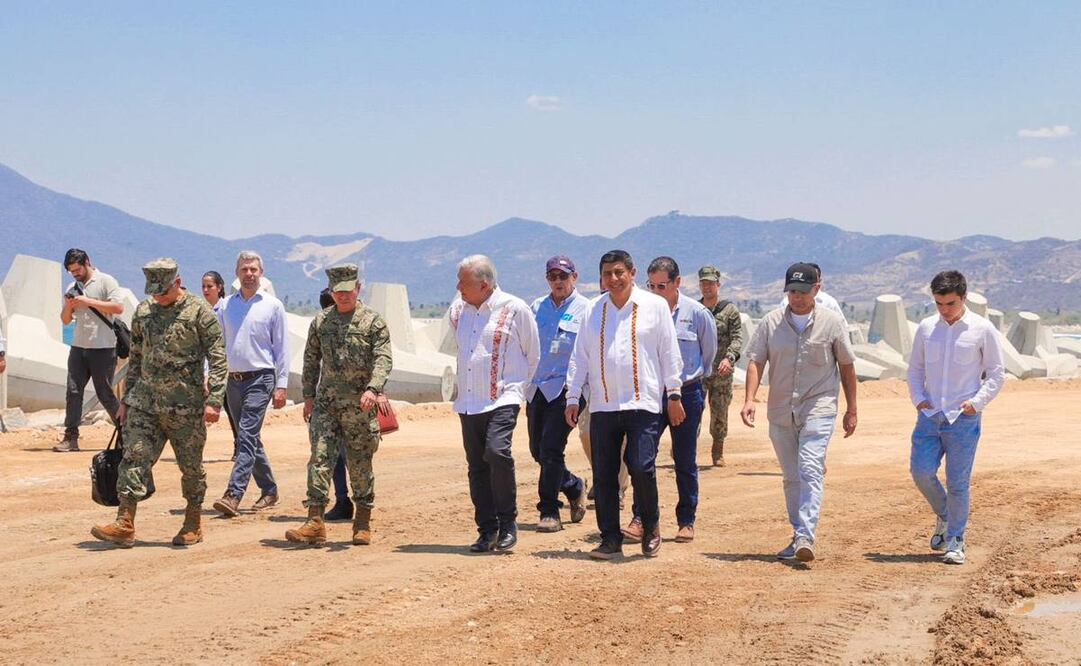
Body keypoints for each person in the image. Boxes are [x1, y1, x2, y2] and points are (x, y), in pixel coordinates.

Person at [91, 258, 227, 547]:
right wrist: (126, 399)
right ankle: (124, 523)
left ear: (177, 283)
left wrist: (214, 400)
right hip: (145, 403)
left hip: (185, 406)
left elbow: (218, 358)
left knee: (190, 467)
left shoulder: (199, 312)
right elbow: (137, 357)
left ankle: (193, 522)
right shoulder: (144, 311)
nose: (158, 296)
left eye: (163, 291)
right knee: (133, 458)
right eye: (153, 291)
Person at [565, 250, 683, 560]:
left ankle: (651, 526)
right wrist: (573, 396)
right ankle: (610, 537)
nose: (613, 279)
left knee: (641, 466)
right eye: (607, 274)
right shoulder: (593, 310)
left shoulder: (654, 307)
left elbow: (669, 354)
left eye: (619, 272)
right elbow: (581, 357)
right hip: (604, 404)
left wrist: (674, 394)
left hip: (643, 402)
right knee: (604, 474)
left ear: (631, 273)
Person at [741, 262, 858, 563]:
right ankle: (797, 534)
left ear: (816, 289)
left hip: (818, 406)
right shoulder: (770, 323)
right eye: (792, 291)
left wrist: (851, 409)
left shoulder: (832, 323)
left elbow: (846, 365)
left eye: (803, 291)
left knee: (809, 467)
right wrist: (749, 398)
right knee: (792, 476)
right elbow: (756, 361)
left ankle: (807, 534)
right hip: (781, 409)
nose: (797, 297)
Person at [286, 264, 393, 546]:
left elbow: (383, 359)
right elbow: (310, 362)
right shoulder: (321, 322)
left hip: (361, 407)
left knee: (359, 464)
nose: (343, 297)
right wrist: (308, 397)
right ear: (331, 292)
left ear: (358, 289)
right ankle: (315, 521)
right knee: (319, 459)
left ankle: (362, 521)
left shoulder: (373, 322)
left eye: (348, 291)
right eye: (338, 292)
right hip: (326, 406)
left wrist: (373, 388)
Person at [908, 270, 1004, 565]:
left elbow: (997, 373)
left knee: (958, 483)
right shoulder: (926, 328)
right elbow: (915, 370)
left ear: (963, 297)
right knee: (921, 472)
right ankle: (947, 516)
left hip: (963, 418)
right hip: (930, 414)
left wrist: (977, 403)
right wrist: (919, 399)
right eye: (938, 303)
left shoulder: (982, 329)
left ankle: (956, 539)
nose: (943, 309)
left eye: (949, 303)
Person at [623, 257, 716, 544]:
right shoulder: (641, 313)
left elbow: (708, 354)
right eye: (651, 286)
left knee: (684, 458)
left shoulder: (697, 314)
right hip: (651, 393)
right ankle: (641, 518)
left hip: (687, 393)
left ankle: (686, 520)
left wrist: (691, 383)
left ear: (678, 283)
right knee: (641, 456)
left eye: (662, 285)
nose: (656, 291)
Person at [450, 255, 539, 553]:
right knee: (477, 466)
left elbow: (532, 354)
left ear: (484, 285)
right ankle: (487, 530)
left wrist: (516, 389)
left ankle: (508, 522)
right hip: (468, 402)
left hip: (503, 397)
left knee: (496, 452)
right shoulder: (458, 311)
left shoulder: (515, 309)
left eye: (463, 282)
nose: (458, 287)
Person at [212, 252, 287, 517]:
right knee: (249, 438)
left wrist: (282, 384)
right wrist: (211, 378)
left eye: (254, 269)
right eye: (244, 269)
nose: (249, 274)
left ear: (261, 273)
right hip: (232, 380)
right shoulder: (224, 307)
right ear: (237, 272)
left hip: (261, 377)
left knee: (245, 435)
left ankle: (234, 494)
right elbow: (216, 345)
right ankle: (269, 490)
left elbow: (281, 348)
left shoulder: (273, 306)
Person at [526, 255, 591, 533]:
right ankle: (574, 486)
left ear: (574, 277)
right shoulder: (536, 307)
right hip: (537, 387)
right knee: (537, 450)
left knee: (552, 448)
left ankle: (550, 511)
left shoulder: (586, 310)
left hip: (568, 389)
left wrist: (579, 391)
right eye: (553, 277)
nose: (558, 282)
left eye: (563, 276)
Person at [55, 248, 124, 452]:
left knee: (105, 393)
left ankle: (125, 432)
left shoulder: (106, 281)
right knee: (73, 391)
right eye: (71, 271)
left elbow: (118, 308)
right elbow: (65, 320)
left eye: (77, 269)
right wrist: (69, 305)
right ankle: (71, 437)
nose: (75, 274)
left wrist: (87, 301)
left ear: (87, 263)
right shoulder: (71, 286)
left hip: (103, 347)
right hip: (78, 347)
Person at [697, 265, 742, 466]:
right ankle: (685, 448)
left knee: (720, 411)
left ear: (718, 284)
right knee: (693, 412)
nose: (707, 287)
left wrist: (729, 358)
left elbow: (737, 338)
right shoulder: (695, 310)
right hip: (698, 371)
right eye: (704, 283)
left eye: (711, 283)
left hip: (721, 371)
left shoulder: (729, 310)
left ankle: (718, 450)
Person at [318, 287, 356, 522]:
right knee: (332, 455)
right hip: (330, 403)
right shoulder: (322, 329)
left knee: (352, 455)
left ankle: (359, 502)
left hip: (354, 404)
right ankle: (343, 500)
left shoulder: (361, 326)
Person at [201, 270, 238, 460]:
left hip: (229, 366)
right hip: (212, 368)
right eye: (204, 287)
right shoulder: (203, 311)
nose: (206, 290)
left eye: (210, 286)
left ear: (219, 287)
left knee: (232, 409)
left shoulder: (226, 309)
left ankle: (240, 443)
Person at [775, 262, 848, 324]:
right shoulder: (786, 302)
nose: (798, 298)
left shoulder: (829, 302)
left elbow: (842, 326)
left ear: (819, 282)